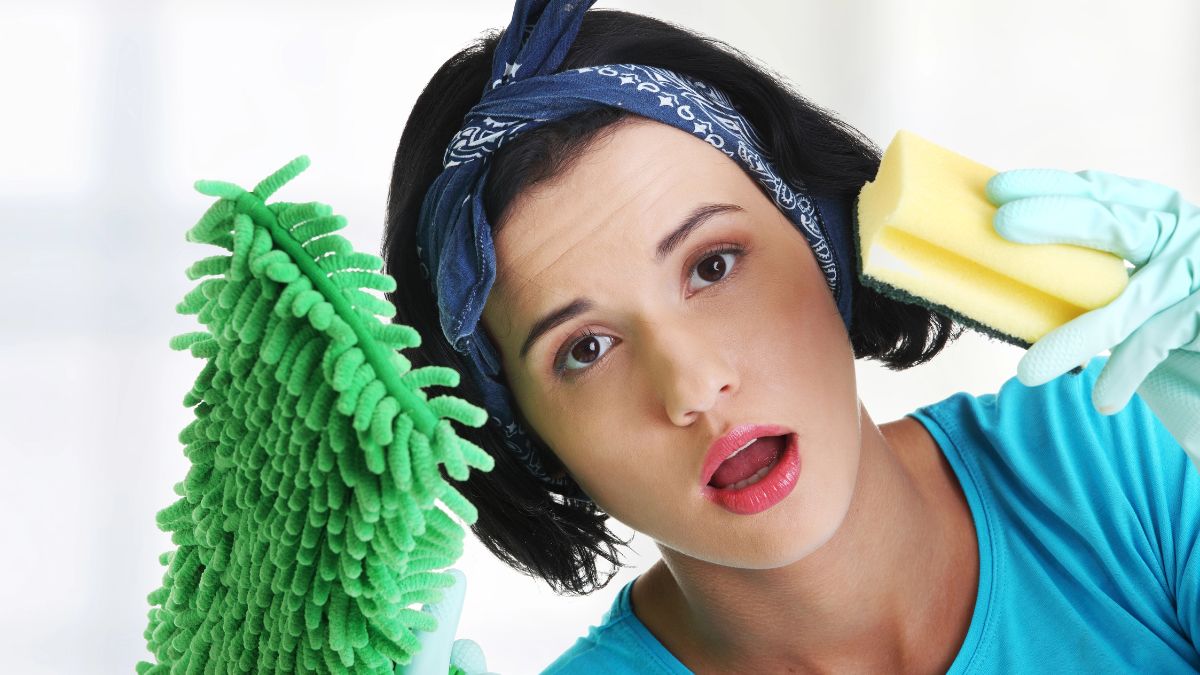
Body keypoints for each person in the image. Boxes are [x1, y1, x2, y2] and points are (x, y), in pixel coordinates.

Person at [385, 2, 1199, 673]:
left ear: (823, 242)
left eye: (712, 265)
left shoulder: (1131, 451)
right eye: (585, 348)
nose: (694, 385)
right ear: (527, 437)